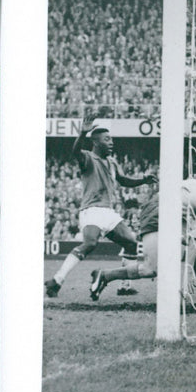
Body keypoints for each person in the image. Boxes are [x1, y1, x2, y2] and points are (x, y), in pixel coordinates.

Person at [44, 113, 157, 298]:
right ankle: (57, 280)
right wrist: (82, 134)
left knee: (131, 243)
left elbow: (124, 180)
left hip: (109, 212)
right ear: (96, 143)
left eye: (111, 139)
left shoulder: (112, 162)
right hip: (92, 210)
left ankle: (125, 286)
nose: (111, 142)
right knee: (90, 243)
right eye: (107, 139)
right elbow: (75, 152)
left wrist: (142, 180)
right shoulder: (88, 158)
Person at [88, 179, 196, 301]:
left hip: (174, 213)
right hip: (158, 209)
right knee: (151, 269)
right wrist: (187, 275)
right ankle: (105, 275)